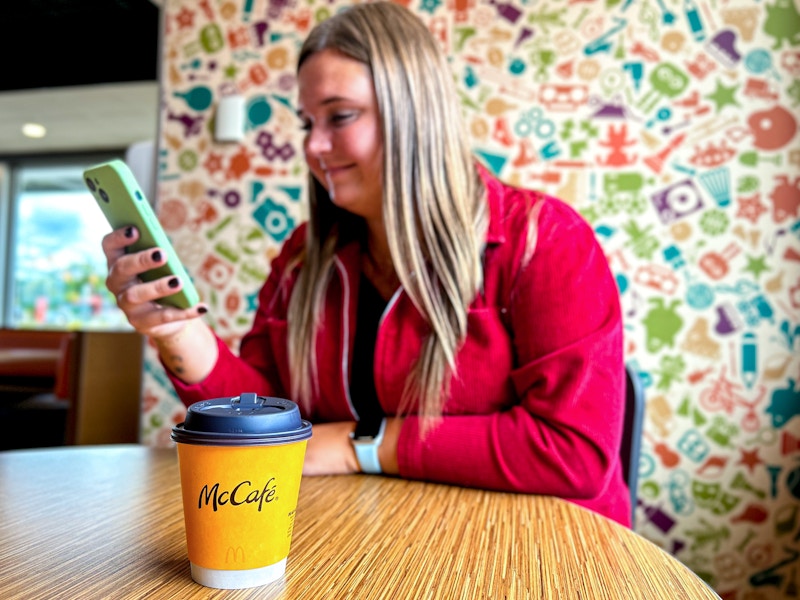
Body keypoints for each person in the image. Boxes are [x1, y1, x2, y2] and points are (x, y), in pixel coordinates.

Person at [102, 2, 629, 526]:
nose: (314, 145)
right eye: (308, 121)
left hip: (545, 547)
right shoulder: (303, 258)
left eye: (341, 116)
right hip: (370, 535)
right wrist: (177, 331)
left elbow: (573, 452)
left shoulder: (545, 239)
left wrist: (362, 445)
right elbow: (262, 425)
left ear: (414, 112)